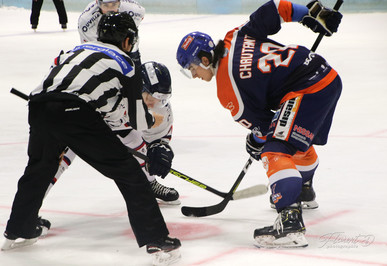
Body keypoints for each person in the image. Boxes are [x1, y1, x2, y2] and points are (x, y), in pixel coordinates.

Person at [2, 12, 181, 265]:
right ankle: (156, 239)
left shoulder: (73, 50)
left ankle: (18, 228)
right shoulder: (126, 63)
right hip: (76, 112)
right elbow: (139, 119)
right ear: (128, 41)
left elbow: (62, 82)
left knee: (39, 168)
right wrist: (153, 125)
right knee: (129, 172)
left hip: (39, 105)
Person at [176, 0, 342, 248]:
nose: (195, 76)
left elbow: (264, 128)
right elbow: (276, 8)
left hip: (305, 89)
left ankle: (289, 221)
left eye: (192, 68)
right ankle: (304, 189)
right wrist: (311, 14)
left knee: (275, 149)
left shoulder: (227, 90)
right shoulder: (235, 36)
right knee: (293, 139)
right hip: (326, 76)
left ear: (204, 59)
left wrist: (255, 141)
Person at [51, 0, 179, 204]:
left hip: (93, 104)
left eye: (161, 99)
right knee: (61, 153)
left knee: (135, 141)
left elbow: (156, 133)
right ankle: (34, 204)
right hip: (78, 109)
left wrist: (161, 147)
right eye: (151, 97)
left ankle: (148, 183)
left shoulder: (151, 98)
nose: (156, 103)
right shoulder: (90, 29)